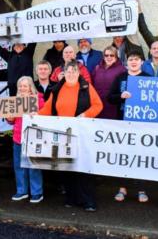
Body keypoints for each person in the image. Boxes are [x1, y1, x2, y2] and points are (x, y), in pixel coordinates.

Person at [39, 61, 103, 211]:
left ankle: (88, 201)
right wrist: (34, 116)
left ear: (79, 72)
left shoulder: (86, 87)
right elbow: (47, 109)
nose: (71, 73)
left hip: (81, 134)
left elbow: (98, 105)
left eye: (74, 71)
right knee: (66, 168)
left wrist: (86, 114)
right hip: (63, 136)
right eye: (68, 71)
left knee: (82, 169)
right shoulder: (57, 89)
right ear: (64, 73)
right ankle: (71, 198)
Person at [108, 51, 150, 202]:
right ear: (126, 63)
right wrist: (120, 96)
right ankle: (122, 188)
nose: (133, 62)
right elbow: (110, 97)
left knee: (141, 157)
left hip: (142, 125)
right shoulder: (120, 78)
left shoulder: (148, 78)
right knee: (123, 156)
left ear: (142, 62)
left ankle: (141, 189)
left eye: (136, 59)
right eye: (131, 59)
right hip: (123, 122)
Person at [7, 76, 45, 203]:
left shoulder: (38, 100)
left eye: (25, 86)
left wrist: (38, 115)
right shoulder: (15, 101)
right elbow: (10, 121)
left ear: (30, 87)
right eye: (20, 86)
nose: (22, 88)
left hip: (33, 137)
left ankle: (36, 192)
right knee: (19, 166)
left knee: (33, 165)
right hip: (18, 137)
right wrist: (10, 117)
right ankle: (22, 191)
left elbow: (45, 116)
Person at [92, 46, 126, 119]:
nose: (109, 57)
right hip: (98, 104)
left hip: (113, 106)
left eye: (112, 55)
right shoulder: (97, 68)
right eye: (106, 55)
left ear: (116, 56)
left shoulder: (122, 70)